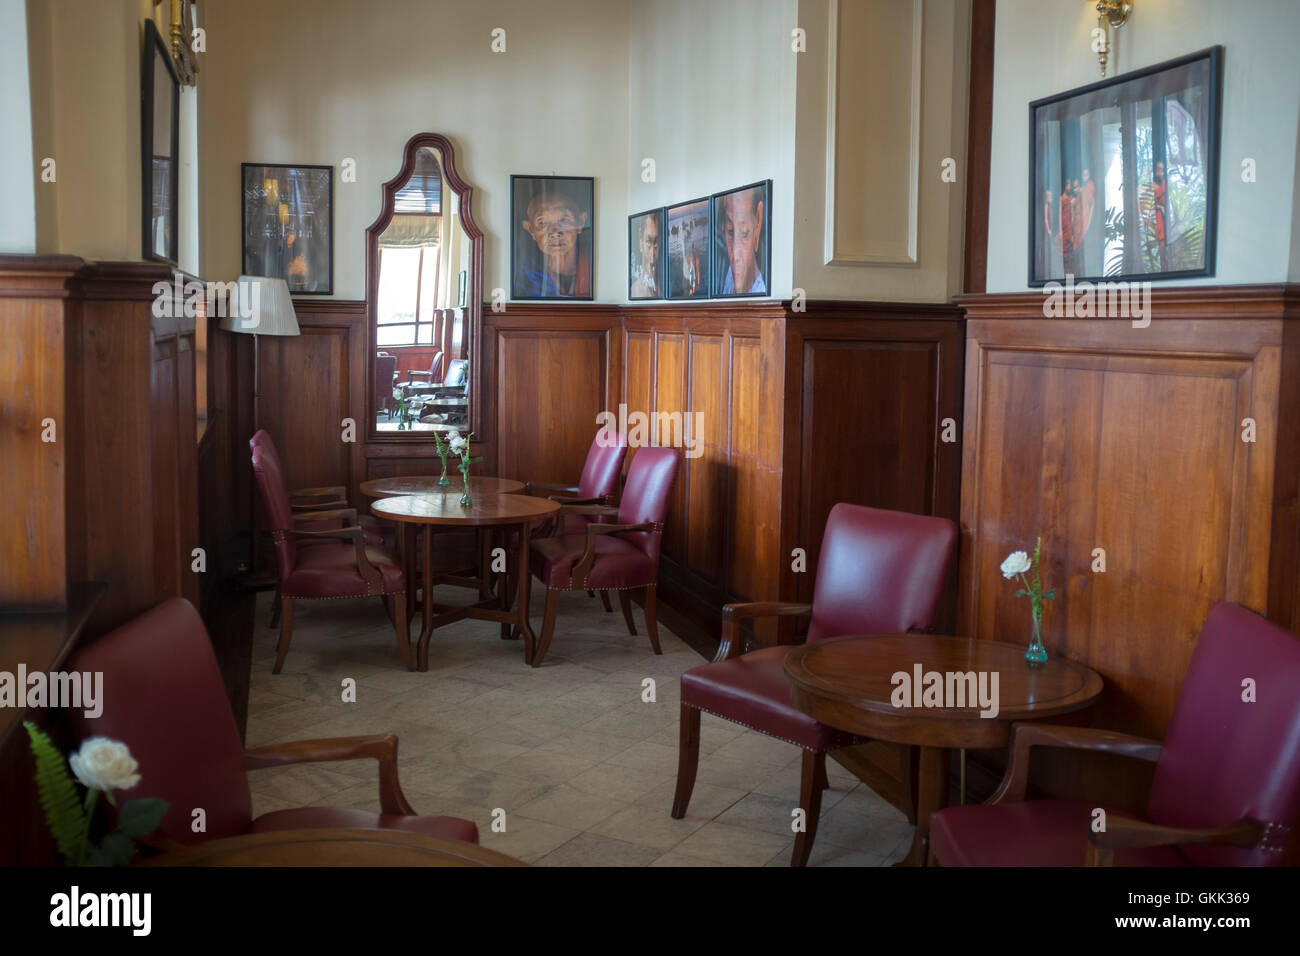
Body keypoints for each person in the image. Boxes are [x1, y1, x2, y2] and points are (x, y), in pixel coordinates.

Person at [515, 186, 592, 297]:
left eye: (564, 219)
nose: (555, 232)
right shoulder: (525, 278)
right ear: (531, 230)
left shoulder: (594, 267)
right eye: (542, 222)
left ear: (580, 222)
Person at [717, 188, 766, 294]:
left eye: (744, 233)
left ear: (757, 223)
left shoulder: (760, 292)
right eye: (730, 231)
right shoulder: (730, 272)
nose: (735, 256)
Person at [630, 214, 660, 297]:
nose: (652, 253)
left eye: (656, 243)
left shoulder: (660, 289)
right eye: (648, 242)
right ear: (641, 242)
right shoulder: (636, 290)